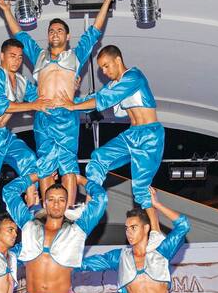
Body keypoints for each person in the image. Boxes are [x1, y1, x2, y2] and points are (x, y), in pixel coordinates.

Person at [0, 0, 115, 210]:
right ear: (48, 35)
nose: (55, 33)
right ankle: (47, 210)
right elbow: (20, 35)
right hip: (43, 115)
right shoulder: (39, 55)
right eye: (51, 31)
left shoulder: (75, 55)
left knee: (68, 165)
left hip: (66, 116)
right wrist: (6, 11)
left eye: (60, 30)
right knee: (45, 166)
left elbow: (94, 33)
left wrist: (106, 3)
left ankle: (68, 210)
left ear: (67, 36)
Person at [60, 44, 162, 226]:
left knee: (140, 188)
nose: (104, 72)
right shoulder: (113, 85)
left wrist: (73, 106)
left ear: (118, 60)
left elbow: (104, 100)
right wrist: (70, 100)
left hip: (149, 136)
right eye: (101, 68)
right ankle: (89, 207)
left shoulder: (134, 77)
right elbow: (93, 99)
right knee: (98, 158)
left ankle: (155, 231)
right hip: (132, 135)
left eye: (106, 66)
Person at [0, 38, 49, 215]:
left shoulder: (21, 81)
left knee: (30, 160)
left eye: (20, 57)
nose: (17, 60)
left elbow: (42, 98)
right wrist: (33, 105)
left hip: (4, 136)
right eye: (12, 56)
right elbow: (1, 105)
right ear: (2, 56)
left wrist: (68, 87)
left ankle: (32, 205)